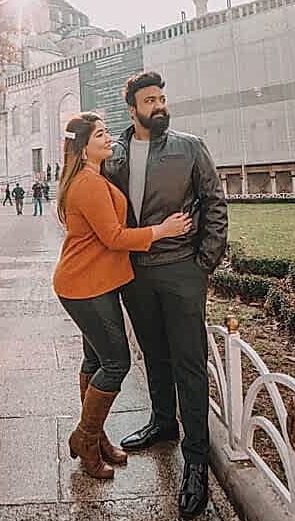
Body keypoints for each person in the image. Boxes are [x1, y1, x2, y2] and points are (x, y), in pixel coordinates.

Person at [104, 71, 228, 520]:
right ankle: (162, 423)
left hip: (181, 270)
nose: (159, 106)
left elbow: (214, 203)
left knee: (189, 363)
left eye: (161, 98)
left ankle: (196, 462)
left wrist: (203, 264)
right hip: (135, 274)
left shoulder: (190, 147)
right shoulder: (114, 156)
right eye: (149, 100)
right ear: (132, 109)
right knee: (153, 354)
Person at [53, 113, 191, 480]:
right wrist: (162, 230)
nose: (108, 138)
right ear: (84, 149)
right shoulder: (88, 183)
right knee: (116, 364)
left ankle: (95, 438)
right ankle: (85, 438)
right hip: (86, 286)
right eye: (100, 134)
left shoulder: (92, 177)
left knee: (95, 360)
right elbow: (114, 237)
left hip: (89, 282)